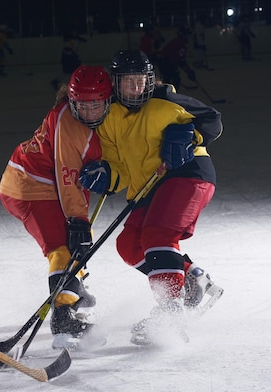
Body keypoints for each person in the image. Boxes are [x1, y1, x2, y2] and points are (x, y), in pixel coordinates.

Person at [79, 50, 223, 345]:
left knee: (158, 235)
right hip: (149, 185)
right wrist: (106, 174)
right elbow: (119, 166)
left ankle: (169, 313)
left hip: (188, 172)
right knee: (129, 246)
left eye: (140, 81)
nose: (135, 88)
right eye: (127, 82)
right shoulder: (109, 118)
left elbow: (213, 121)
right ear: (115, 85)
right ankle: (192, 276)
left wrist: (189, 135)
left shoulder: (166, 101)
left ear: (149, 80)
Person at [0, 65, 112, 349]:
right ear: (72, 102)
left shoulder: (96, 119)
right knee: (64, 246)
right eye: (82, 106)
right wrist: (78, 221)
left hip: (47, 184)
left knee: (76, 243)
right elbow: (68, 180)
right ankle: (63, 317)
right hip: (30, 187)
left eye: (96, 105)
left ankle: (73, 288)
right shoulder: (71, 126)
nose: (89, 113)